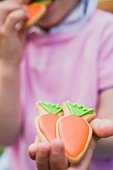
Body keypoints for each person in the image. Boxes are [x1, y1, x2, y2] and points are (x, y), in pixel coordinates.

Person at [0, 0, 113, 169]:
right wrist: (8, 62)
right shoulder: (10, 37)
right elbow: (5, 135)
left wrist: (76, 136)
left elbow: (110, 137)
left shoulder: (106, 33)